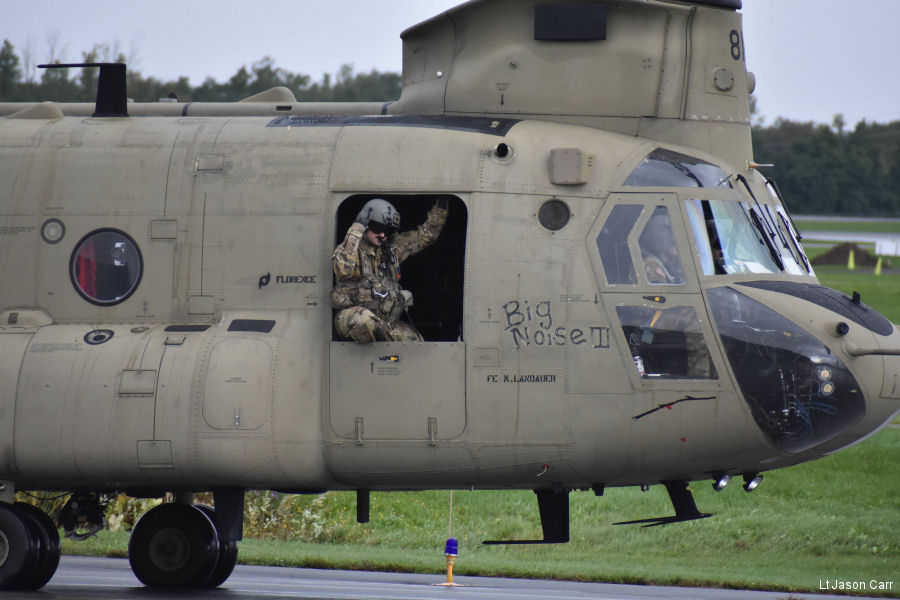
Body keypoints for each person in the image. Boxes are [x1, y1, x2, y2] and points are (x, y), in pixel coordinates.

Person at [331, 198, 448, 343]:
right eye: (377, 228)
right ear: (365, 225)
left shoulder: (390, 249)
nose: (382, 235)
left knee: (414, 340)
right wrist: (356, 229)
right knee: (364, 320)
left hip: (382, 322)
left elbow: (426, 236)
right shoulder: (351, 248)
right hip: (350, 318)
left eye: (387, 230)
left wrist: (442, 204)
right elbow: (343, 270)